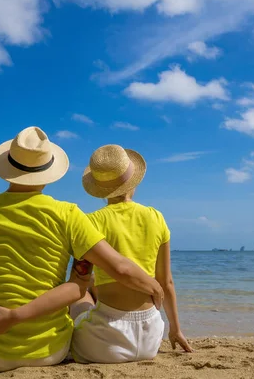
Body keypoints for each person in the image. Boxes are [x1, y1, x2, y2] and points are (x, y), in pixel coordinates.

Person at [0, 127, 163, 372]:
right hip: (52, 352)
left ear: (7, 170)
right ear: (49, 172)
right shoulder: (68, 214)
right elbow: (118, 268)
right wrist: (153, 285)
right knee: (83, 283)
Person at [70, 144, 193, 364]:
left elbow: (76, 284)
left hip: (105, 343)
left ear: (98, 187)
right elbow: (166, 282)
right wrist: (175, 330)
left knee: (84, 293)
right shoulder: (156, 217)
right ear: (132, 182)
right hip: (150, 339)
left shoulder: (90, 222)